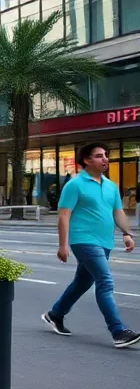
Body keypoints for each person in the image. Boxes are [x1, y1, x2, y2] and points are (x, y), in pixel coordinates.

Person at [43, 143, 140, 348]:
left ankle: (55, 314)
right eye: (99, 156)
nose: (105, 159)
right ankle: (118, 331)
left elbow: (118, 212)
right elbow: (64, 216)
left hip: (105, 241)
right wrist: (63, 245)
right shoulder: (75, 185)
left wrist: (127, 234)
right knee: (105, 281)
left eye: (106, 155)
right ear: (86, 160)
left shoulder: (110, 186)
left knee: (82, 282)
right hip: (83, 240)